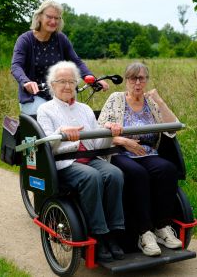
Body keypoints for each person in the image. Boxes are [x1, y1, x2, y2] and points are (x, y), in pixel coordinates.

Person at [37, 60, 125, 262]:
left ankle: (114, 232)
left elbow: (98, 144)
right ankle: (99, 235)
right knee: (92, 177)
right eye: (62, 81)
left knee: (115, 174)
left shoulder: (84, 109)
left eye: (71, 81)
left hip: (90, 158)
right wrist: (61, 133)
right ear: (52, 85)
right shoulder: (46, 110)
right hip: (65, 163)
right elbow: (46, 146)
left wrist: (110, 132)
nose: (67, 86)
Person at [98, 61, 183, 257]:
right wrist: (125, 141)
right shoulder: (116, 99)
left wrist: (160, 101)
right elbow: (101, 129)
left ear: (146, 81)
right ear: (126, 80)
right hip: (120, 152)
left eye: (141, 78)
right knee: (138, 174)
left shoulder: (151, 102)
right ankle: (144, 233)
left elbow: (172, 128)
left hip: (147, 153)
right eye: (133, 78)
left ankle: (162, 227)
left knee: (168, 169)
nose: (137, 83)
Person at [11, 0, 109, 115]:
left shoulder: (61, 39)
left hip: (62, 94)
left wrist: (92, 78)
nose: (53, 21)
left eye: (57, 18)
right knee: (48, 118)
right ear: (40, 17)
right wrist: (26, 82)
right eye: (49, 17)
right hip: (34, 96)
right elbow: (16, 66)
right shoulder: (25, 40)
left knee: (79, 119)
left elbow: (76, 62)